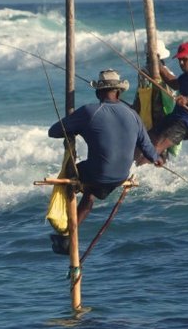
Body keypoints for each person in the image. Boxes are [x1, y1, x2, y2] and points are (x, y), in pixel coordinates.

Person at [48, 69, 164, 254]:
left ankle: (64, 231)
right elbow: (149, 149)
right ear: (119, 93)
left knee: (72, 173)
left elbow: (53, 131)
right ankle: (68, 236)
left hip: (97, 174)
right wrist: (157, 159)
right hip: (120, 176)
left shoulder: (89, 112)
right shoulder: (133, 115)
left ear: (98, 92)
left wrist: (75, 127)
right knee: (90, 194)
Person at [136, 41, 188, 164]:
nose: (181, 63)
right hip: (176, 118)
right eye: (179, 60)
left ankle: (139, 168)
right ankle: (136, 164)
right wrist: (157, 65)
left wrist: (187, 100)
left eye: (184, 59)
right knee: (146, 138)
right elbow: (173, 83)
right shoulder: (186, 76)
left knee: (157, 146)